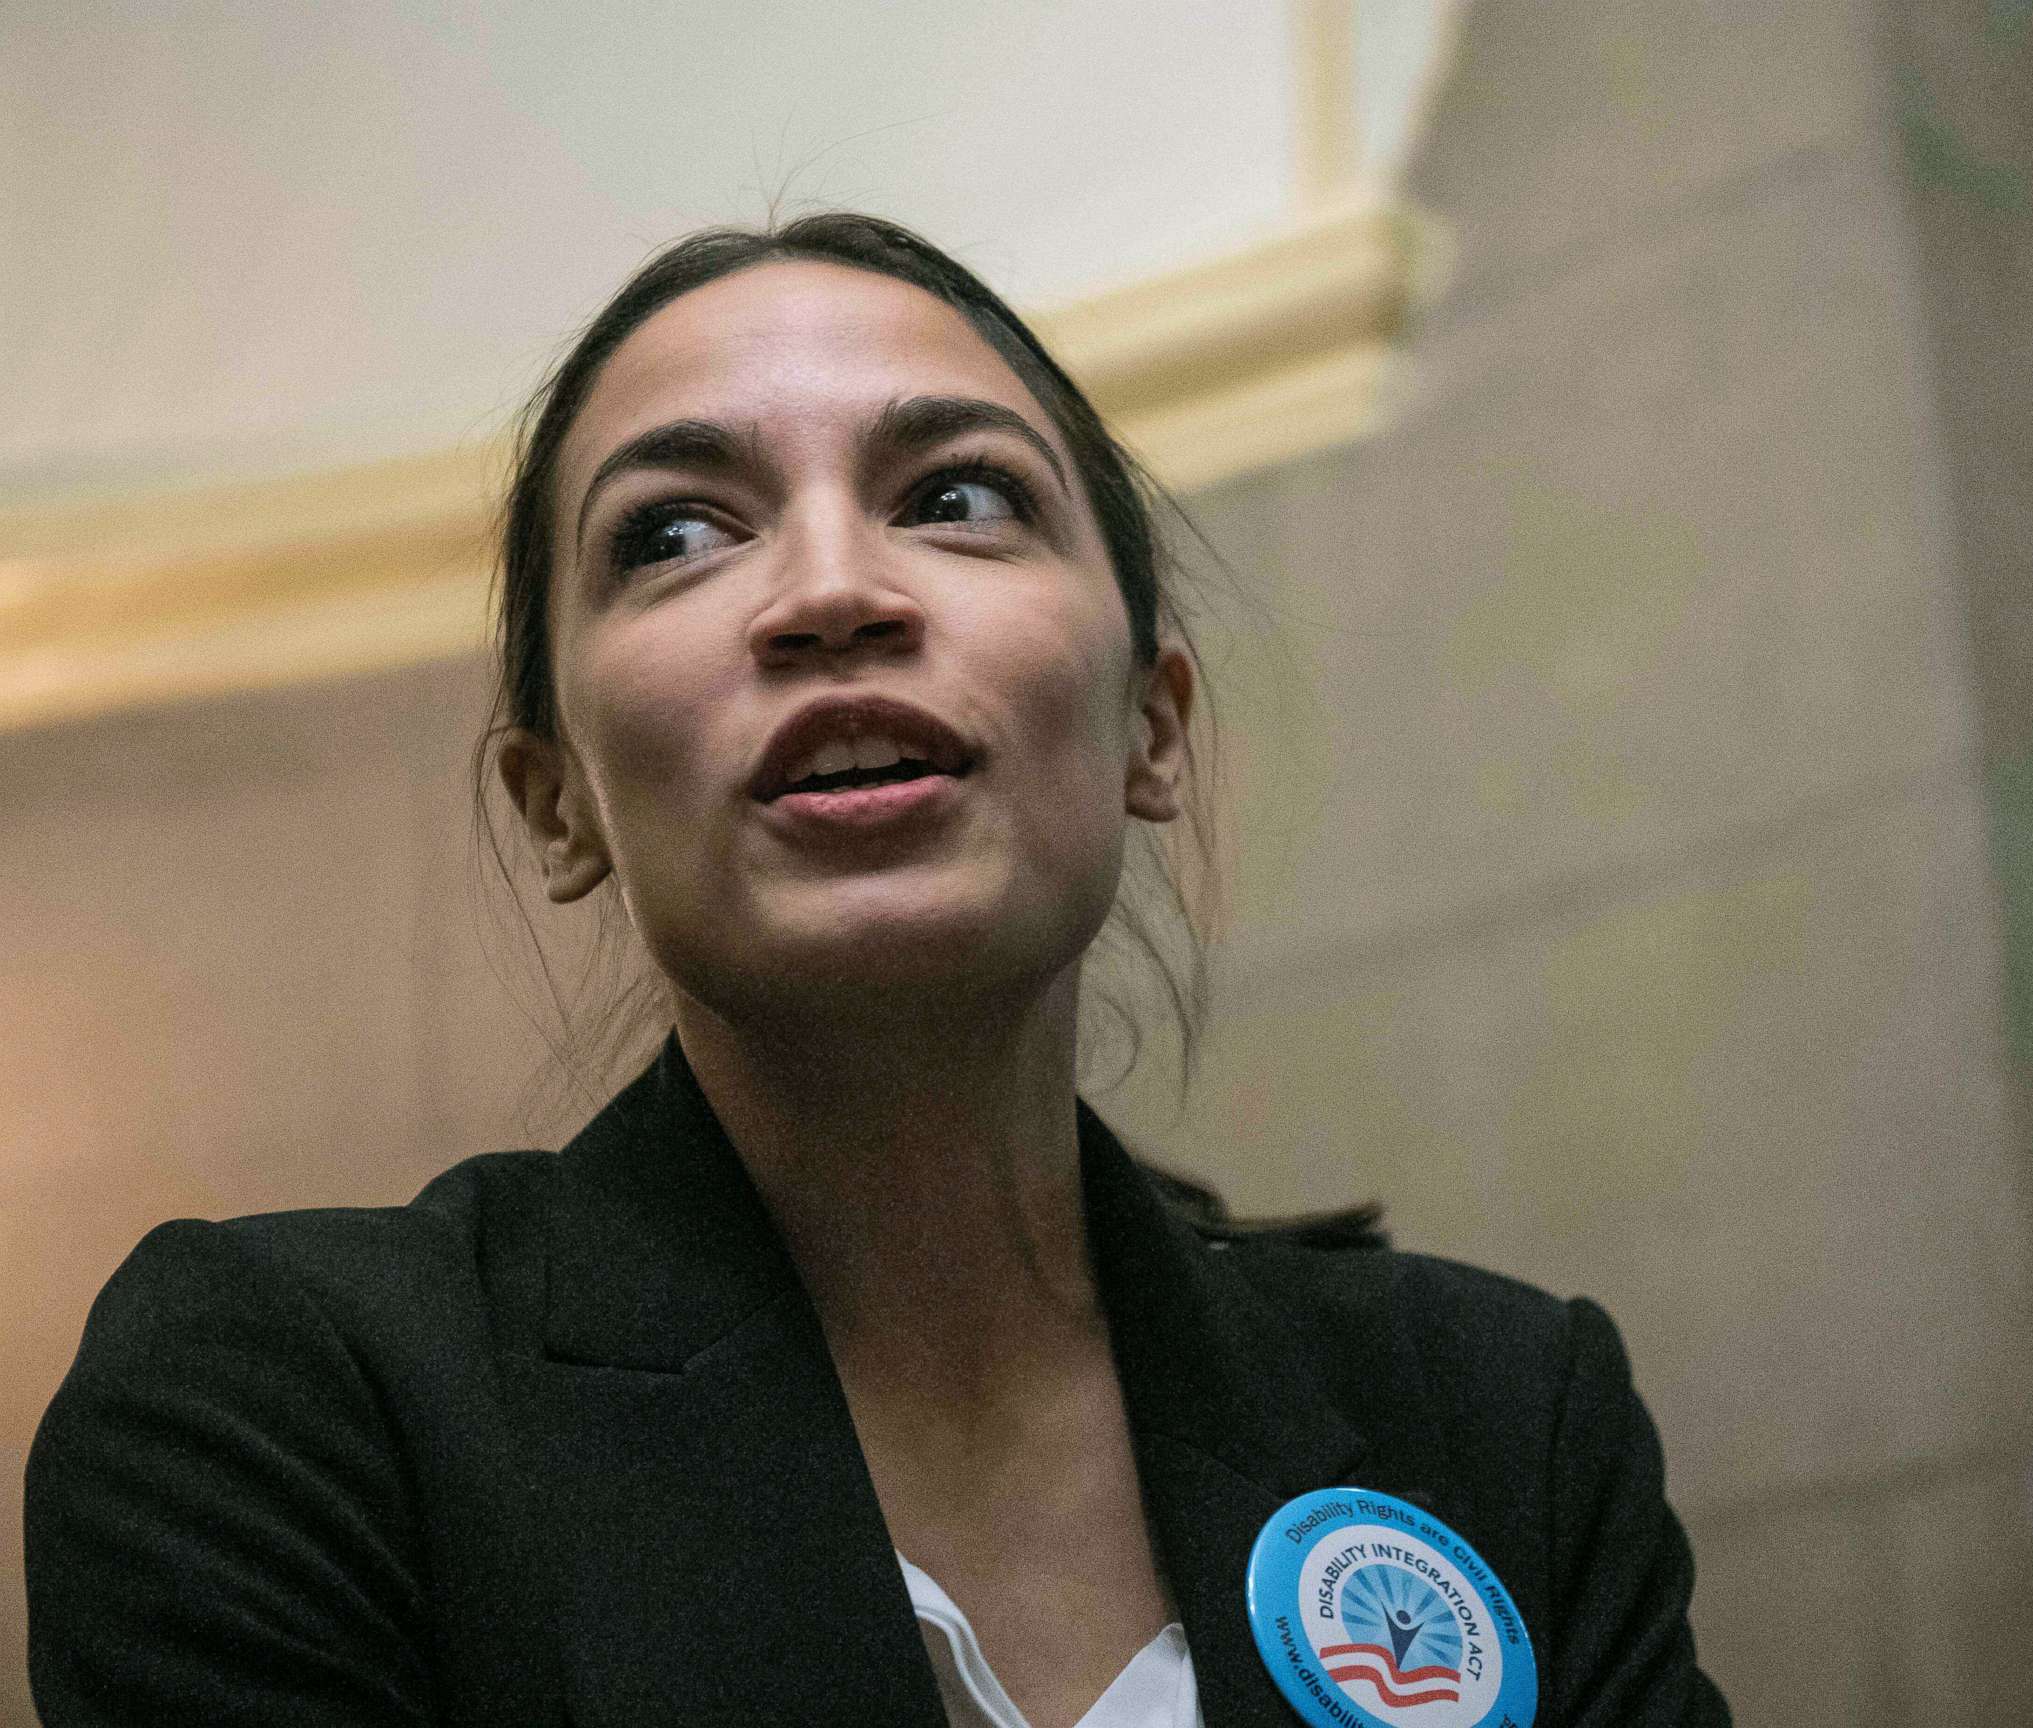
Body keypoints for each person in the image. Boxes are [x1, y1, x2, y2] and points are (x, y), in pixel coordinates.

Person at [24, 213, 1731, 1728]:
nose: (831, 592)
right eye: (675, 535)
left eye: (959, 498)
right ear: (562, 806)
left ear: (1152, 724)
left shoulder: (1500, 1424)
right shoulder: (296, 1418)